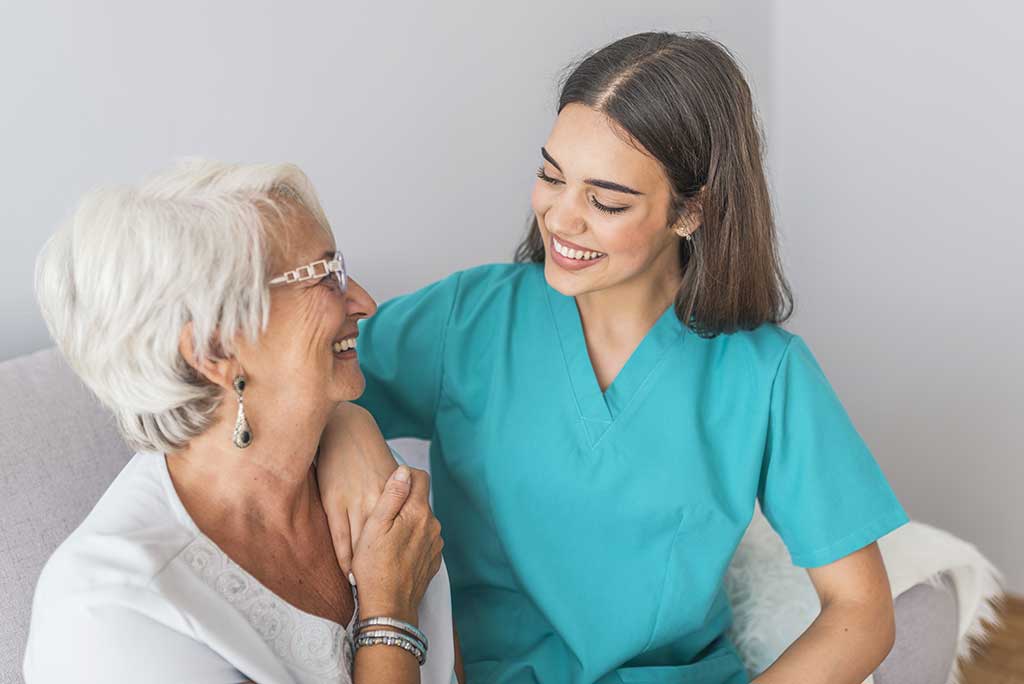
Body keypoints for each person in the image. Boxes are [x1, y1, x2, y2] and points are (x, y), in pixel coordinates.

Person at [317, 32, 908, 684]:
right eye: (551, 175)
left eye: (606, 200)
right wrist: (349, 426)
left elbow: (862, 611)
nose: (561, 218)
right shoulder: (468, 319)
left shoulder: (766, 376)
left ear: (692, 211)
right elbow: (309, 382)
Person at [25, 160, 460, 684]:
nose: (363, 302)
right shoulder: (108, 618)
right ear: (213, 347)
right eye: (325, 278)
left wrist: (350, 420)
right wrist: (389, 611)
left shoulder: (363, 476)